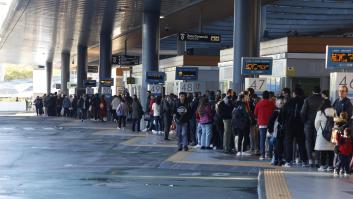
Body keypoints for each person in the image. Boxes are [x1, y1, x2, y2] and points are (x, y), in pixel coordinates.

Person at [279, 87, 308, 167]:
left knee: (289, 143)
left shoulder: (289, 102)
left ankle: (288, 161)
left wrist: (283, 123)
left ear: (294, 93)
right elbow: (305, 114)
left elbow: (282, 114)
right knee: (301, 143)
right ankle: (304, 161)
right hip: (300, 125)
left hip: (289, 125)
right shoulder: (303, 102)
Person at [301, 86, 324, 166]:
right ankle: (317, 160)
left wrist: (305, 121)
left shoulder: (307, 99)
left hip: (309, 123)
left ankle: (310, 160)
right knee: (317, 141)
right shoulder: (323, 100)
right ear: (320, 92)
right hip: (320, 124)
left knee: (308, 141)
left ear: (312, 91)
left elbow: (303, 112)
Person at [314, 95, 335, 172]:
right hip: (331, 133)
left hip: (322, 133)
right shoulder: (334, 111)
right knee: (331, 151)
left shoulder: (320, 112)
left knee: (323, 151)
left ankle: (322, 166)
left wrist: (319, 130)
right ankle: (330, 166)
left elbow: (316, 123)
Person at [254, 91, 275, 160]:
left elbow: (255, 113)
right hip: (270, 124)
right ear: (268, 96)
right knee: (270, 139)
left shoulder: (259, 104)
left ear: (262, 96)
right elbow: (274, 112)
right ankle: (270, 155)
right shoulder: (272, 103)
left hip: (262, 123)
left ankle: (262, 155)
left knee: (262, 139)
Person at [268, 96, 285, 166]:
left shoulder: (276, 112)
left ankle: (276, 160)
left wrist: (270, 130)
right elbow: (271, 122)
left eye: (282, 103)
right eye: (280, 103)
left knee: (276, 146)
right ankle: (278, 160)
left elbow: (270, 122)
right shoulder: (278, 112)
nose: (281, 104)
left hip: (276, 132)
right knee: (278, 146)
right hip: (278, 132)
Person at [218, 89, 235, 154]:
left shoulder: (229, 100)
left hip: (229, 118)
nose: (233, 94)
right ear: (229, 93)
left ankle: (228, 147)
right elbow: (221, 109)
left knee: (228, 133)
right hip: (226, 118)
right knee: (227, 133)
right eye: (232, 93)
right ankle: (226, 148)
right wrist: (224, 115)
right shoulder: (225, 100)